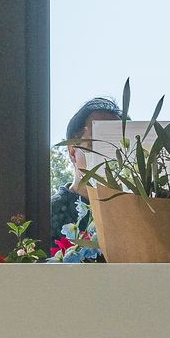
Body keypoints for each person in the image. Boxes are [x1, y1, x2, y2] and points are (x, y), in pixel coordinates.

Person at [50, 95, 122, 239]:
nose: (106, 156)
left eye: (116, 146)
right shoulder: (48, 214)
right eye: (95, 145)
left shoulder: (135, 213)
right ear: (72, 151)